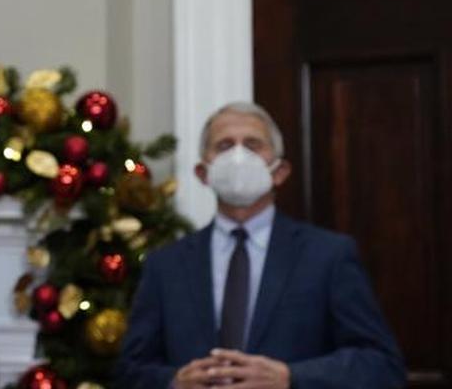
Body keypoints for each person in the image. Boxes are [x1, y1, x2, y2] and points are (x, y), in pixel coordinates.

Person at [115, 102, 405, 388]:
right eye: (224, 146)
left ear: (280, 171)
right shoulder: (166, 264)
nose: (238, 156)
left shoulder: (328, 255)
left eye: (253, 145)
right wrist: (173, 382)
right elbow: (129, 371)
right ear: (203, 173)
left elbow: (381, 364)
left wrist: (291, 378)